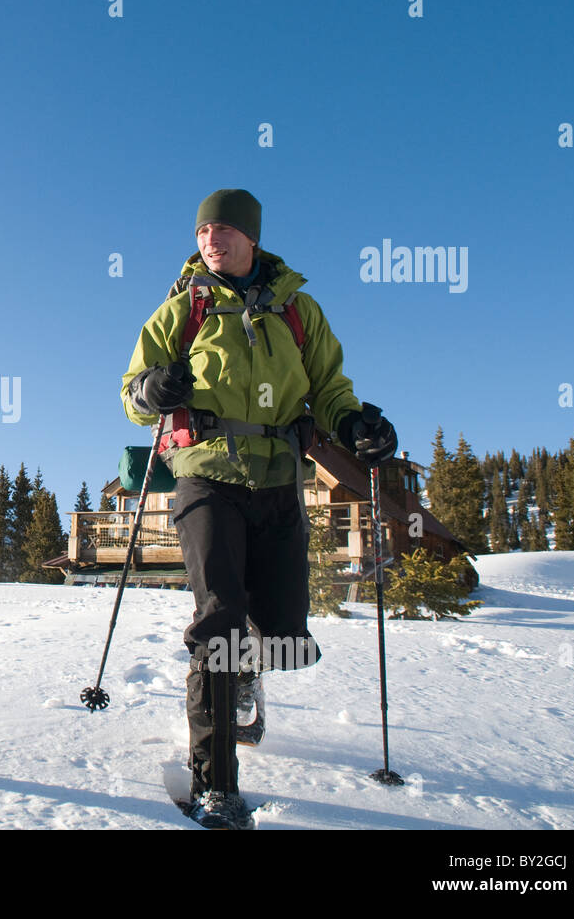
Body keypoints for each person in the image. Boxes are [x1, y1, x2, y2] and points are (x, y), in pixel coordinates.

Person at [120, 188, 396, 829]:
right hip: (205, 478)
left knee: (282, 630)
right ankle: (215, 784)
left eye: (222, 231)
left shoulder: (299, 311)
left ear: (251, 238)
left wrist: (355, 424)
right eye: (201, 233)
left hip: (277, 479)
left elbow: (330, 388)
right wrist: (153, 388)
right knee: (218, 620)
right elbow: (132, 394)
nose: (209, 241)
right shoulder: (179, 311)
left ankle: (249, 669)